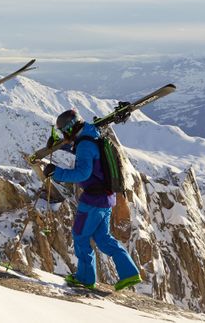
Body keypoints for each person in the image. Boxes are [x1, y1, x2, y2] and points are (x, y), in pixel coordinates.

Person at [42, 109, 142, 291]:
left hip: (93, 200)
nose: (64, 135)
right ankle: (130, 273)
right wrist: (60, 144)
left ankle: (86, 277)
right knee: (103, 239)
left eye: (64, 132)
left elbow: (83, 172)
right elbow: (82, 150)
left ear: (70, 129)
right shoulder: (90, 135)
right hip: (105, 198)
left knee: (80, 236)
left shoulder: (84, 145)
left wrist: (57, 172)